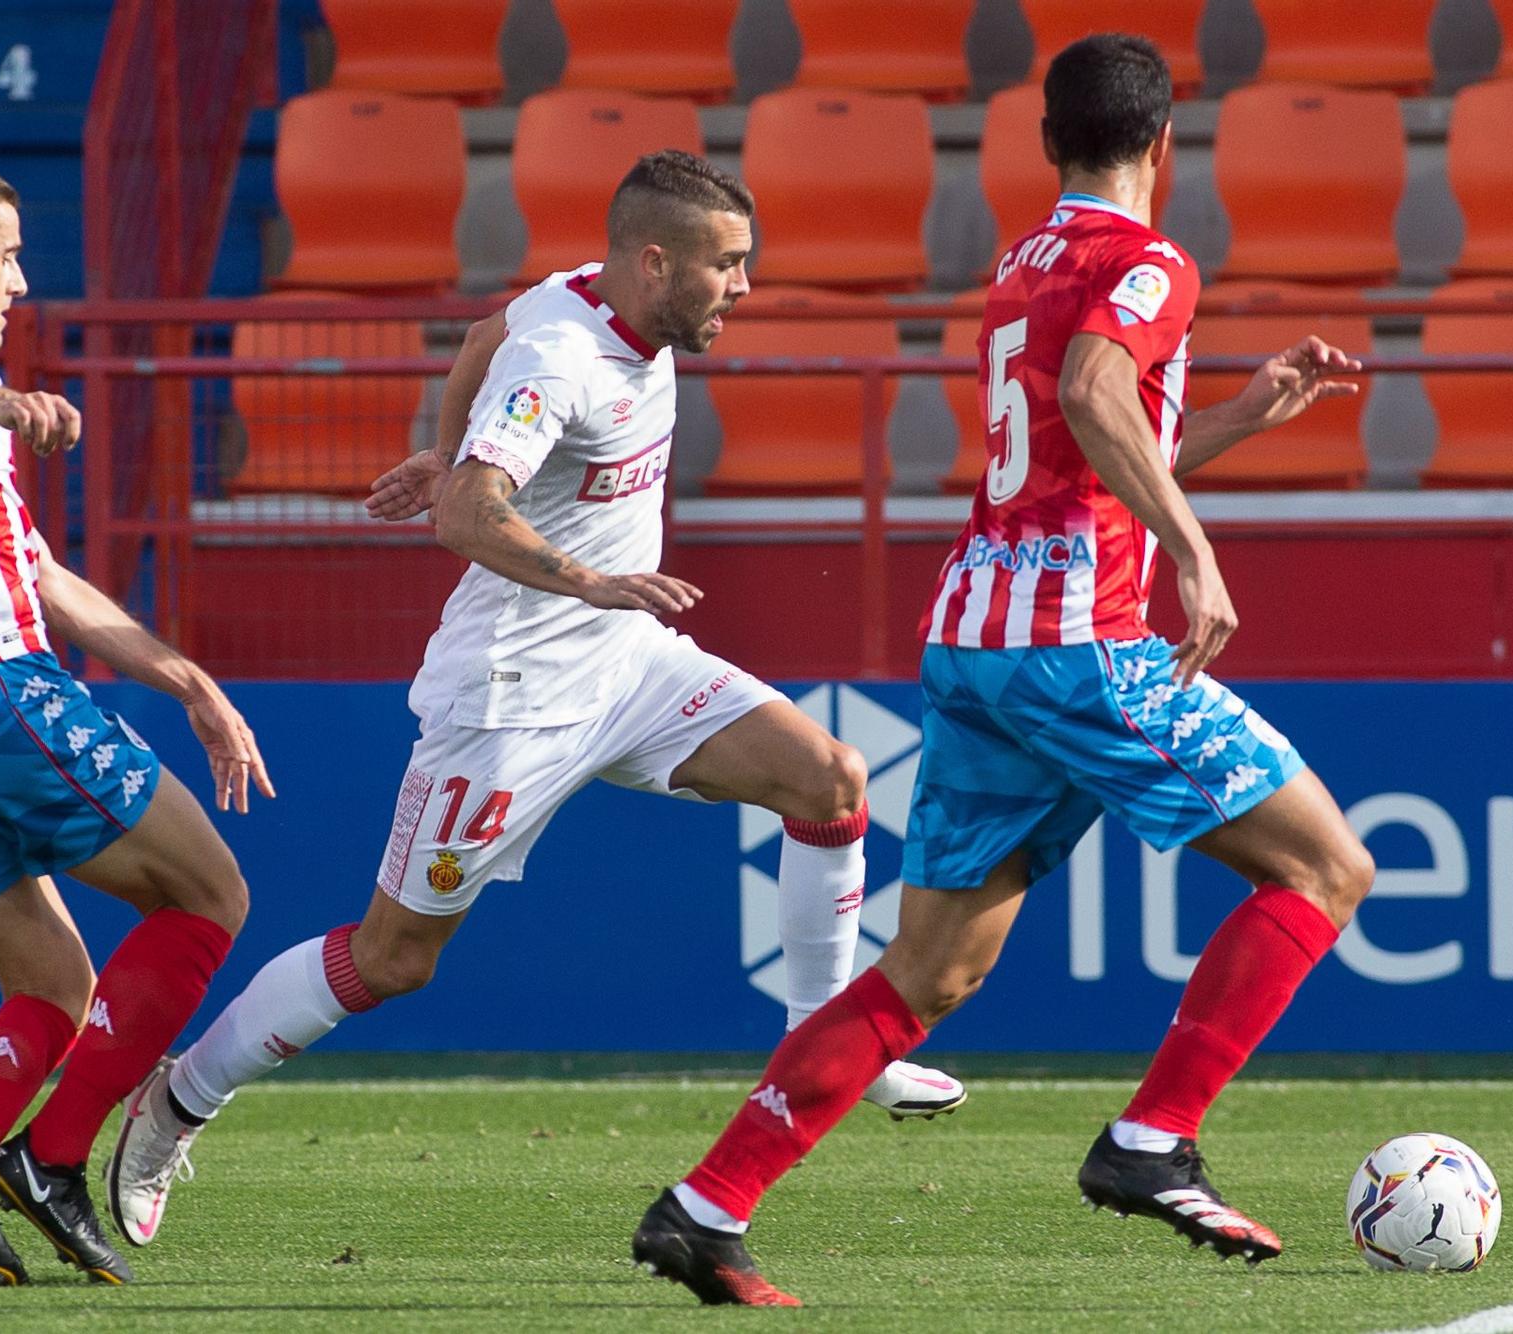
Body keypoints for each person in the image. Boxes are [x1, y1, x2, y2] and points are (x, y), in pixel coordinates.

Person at [101, 150, 965, 1253]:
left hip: (627, 662)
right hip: (509, 695)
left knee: (832, 777)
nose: (742, 287)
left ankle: (824, 1038)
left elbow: (477, 337)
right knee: (392, 957)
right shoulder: (563, 356)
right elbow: (467, 519)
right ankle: (176, 1100)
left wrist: (449, 443)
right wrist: (561, 552)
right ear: (656, 262)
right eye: (726, 266)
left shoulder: (573, 298)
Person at [631, 34, 1379, 1306]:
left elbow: (1079, 455)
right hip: (1077, 646)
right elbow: (1095, 395)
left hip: (974, 639)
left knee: (930, 968)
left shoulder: (1020, 262)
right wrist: (1193, 554)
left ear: (1047, 144)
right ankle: (1149, 1140)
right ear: (1163, 142)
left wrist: (1242, 414)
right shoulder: (1151, 263)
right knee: (1324, 866)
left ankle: (704, 1205)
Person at [0, 159, 274, 1286]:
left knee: (53, 988)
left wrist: (190, 683)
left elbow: (44, 575)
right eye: (9, 255)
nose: (19, 280)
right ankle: (57, 1156)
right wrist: (1, 399)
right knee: (211, 894)